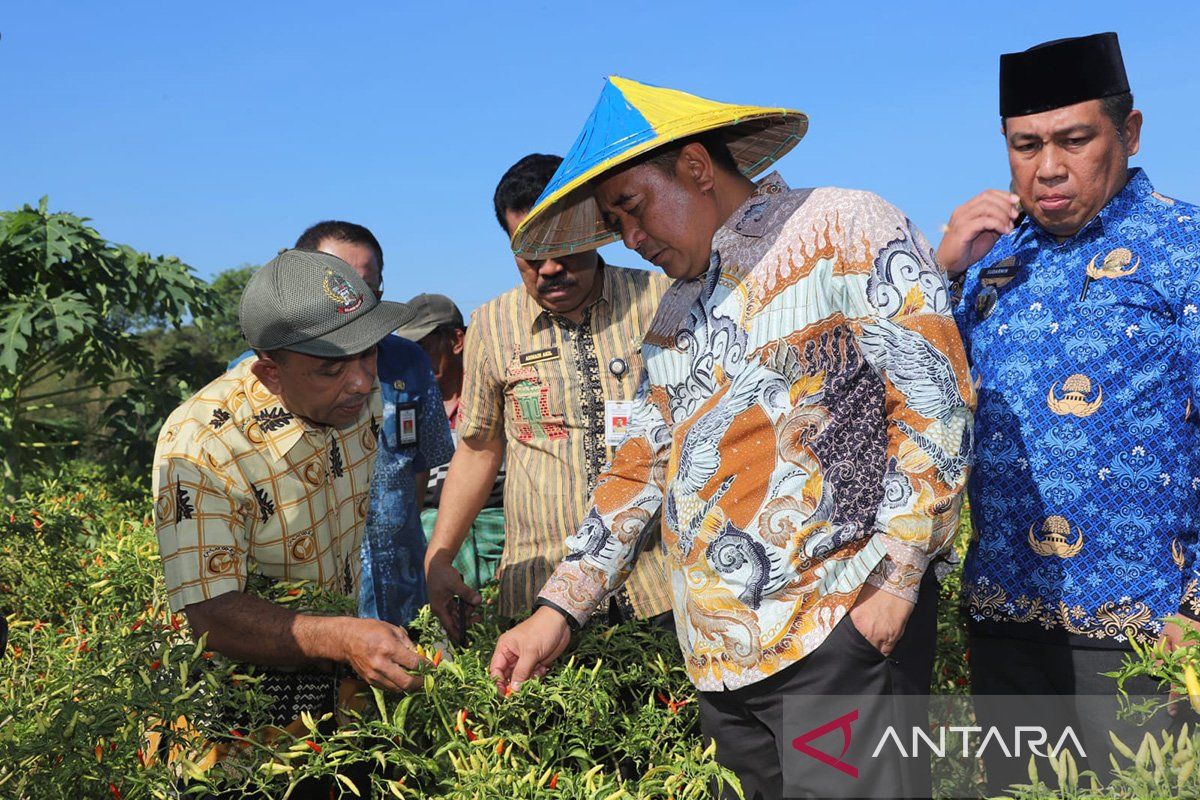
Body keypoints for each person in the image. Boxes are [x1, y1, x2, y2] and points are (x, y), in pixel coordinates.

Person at [489, 76, 974, 799]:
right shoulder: (677, 310)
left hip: (835, 635)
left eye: (632, 209)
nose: (631, 239)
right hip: (719, 669)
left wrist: (894, 585)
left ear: (693, 167)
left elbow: (937, 402)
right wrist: (559, 609)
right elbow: (638, 468)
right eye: (616, 224)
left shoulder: (843, 226)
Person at [937, 32, 1200, 791]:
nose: (1047, 167)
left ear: (1131, 131)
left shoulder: (1184, 249)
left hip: (1150, 636)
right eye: (1025, 145)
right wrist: (941, 269)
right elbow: (917, 402)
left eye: (1074, 139)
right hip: (1003, 625)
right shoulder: (989, 263)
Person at [152, 249, 426, 741]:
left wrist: (345, 639)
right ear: (271, 375)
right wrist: (342, 636)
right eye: (331, 368)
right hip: (232, 694)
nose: (363, 381)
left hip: (329, 672)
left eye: (368, 353)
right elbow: (210, 613)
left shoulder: (358, 399)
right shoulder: (203, 446)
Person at [423, 153, 674, 640]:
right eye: (530, 256)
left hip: (660, 585)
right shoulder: (492, 326)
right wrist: (440, 557)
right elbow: (478, 447)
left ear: (598, 226)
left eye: (563, 248)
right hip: (538, 589)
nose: (551, 269)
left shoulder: (661, 300)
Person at [231, 222, 455, 627]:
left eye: (367, 292)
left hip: (400, 590)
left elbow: (419, 466)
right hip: (301, 608)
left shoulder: (409, 362)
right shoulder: (249, 380)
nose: (354, 307)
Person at [395, 293, 506, 590]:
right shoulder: (404, 406)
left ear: (457, 341)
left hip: (497, 520)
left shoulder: (494, 396)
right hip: (432, 526)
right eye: (407, 350)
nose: (413, 360)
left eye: (422, 348)